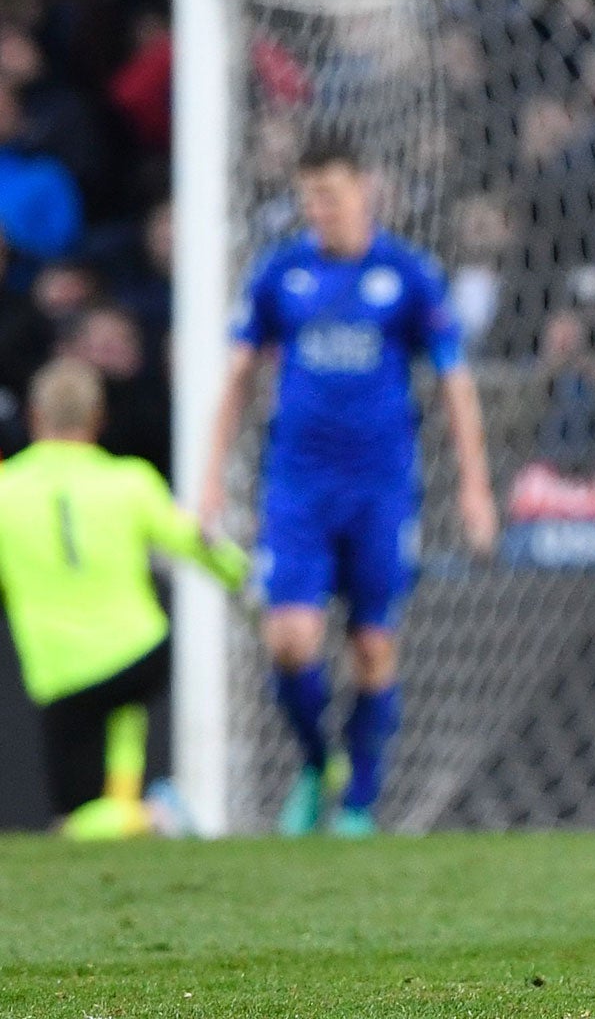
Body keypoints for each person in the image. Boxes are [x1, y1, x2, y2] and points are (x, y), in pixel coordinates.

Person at [198, 132, 497, 837]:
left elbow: (456, 383)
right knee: (291, 638)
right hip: (298, 486)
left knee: (370, 647)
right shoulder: (281, 276)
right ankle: (315, 763)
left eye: (329, 194)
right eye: (308, 197)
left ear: (366, 189)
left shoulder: (409, 275)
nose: (319, 209)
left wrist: (475, 487)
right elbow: (239, 375)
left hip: (380, 489)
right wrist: (210, 479)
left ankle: (359, 802)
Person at [0, 359, 248, 839]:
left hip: (66, 670)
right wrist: (247, 578)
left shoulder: (7, 492)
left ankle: (159, 816)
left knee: (73, 820)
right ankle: (134, 808)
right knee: (120, 724)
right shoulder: (130, 481)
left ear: (33, 417)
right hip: (141, 652)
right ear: (97, 419)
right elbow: (196, 541)